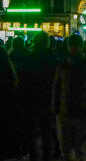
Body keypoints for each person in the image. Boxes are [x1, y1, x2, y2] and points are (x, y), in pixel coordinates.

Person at [52, 34, 86, 161]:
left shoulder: (63, 65)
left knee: (69, 148)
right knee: (79, 149)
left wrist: (55, 107)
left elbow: (57, 88)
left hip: (69, 110)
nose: (73, 48)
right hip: (80, 110)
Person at [18, 32, 58, 161]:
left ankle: (34, 156)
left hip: (31, 99)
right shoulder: (53, 58)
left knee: (31, 132)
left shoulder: (29, 57)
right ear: (47, 42)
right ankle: (46, 156)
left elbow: (22, 80)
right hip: (48, 98)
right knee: (47, 131)